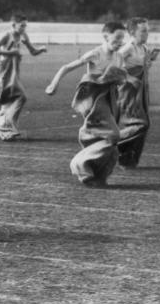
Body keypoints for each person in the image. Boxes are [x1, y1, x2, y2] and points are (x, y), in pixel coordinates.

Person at [45, 21, 127, 187]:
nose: (120, 42)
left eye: (122, 39)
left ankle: (97, 175)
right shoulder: (95, 53)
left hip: (110, 98)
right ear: (106, 36)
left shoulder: (119, 57)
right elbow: (66, 67)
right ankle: (79, 163)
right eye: (117, 38)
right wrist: (53, 84)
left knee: (110, 143)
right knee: (114, 135)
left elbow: (120, 77)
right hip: (93, 100)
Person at [0, 14, 47, 141]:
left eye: (25, 25)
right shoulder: (6, 35)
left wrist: (41, 49)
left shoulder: (23, 35)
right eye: (22, 25)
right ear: (14, 25)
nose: (24, 28)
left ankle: (1, 127)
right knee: (21, 97)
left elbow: (32, 51)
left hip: (15, 69)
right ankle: (4, 127)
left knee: (10, 99)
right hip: (4, 69)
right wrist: (11, 52)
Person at [116, 17, 159, 168]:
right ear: (133, 32)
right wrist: (129, 77)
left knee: (143, 124)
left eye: (148, 30)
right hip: (128, 94)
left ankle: (129, 158)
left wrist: (150, 61)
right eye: (144, 30)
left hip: (141, 92)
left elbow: (143, 69)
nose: (147, 33)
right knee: (141, 124)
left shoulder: (145, 48)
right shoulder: (127, 48)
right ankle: (113, 144)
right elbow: (114, 66)